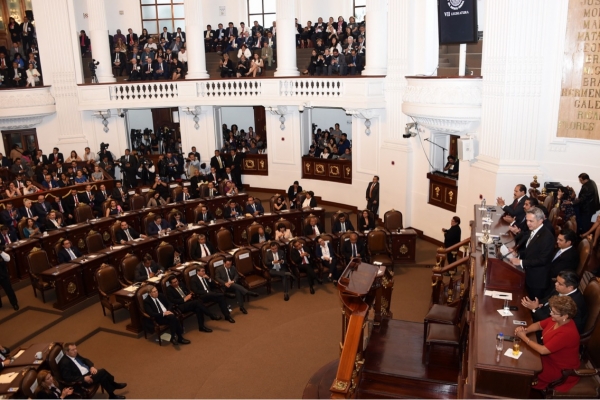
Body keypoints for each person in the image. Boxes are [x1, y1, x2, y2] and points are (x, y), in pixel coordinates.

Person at [514, 296, 580, 392]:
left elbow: (543, 350)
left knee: (524, 369)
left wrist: (524, 337)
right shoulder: (556, 320)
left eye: (554, 313)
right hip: (548, 358)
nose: (550, 313)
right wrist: (525, 330)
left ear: (565, 316)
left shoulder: (567, 333)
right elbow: (538, 325)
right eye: (551, 310)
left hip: (560, 369)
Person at [509, 208, 556, 300]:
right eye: (527, 220)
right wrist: (517, 254)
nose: (528, 223)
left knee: (531, 307)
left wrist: (521, 262)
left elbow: (543, 260)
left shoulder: (547, 237)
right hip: (528, 275)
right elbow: (530, 251)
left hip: (537, 280)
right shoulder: (534, 230)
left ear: (540, 221)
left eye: (531, 221)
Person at [522, 270, 587, 335]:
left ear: (570, 288)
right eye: (556, 281)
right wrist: (538, 304)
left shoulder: (573, 304)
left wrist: (535, 309)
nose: (556, 284)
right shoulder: (561, 289)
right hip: (542, 317)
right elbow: (546, 300)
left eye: (560, 283)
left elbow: (553, 322)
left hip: (555, 332)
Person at [58, 343, 127, 399]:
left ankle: (112, 396)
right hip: (82, 380)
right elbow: (67, 377)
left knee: (103, 377)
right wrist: (83, 378)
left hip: (88, 372)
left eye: (76, 348)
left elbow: (85, 360)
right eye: (73, 350)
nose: (75, 351)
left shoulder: (75, 354)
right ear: (67, 352)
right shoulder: (65, 362)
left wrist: (91, 367)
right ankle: (114, 385)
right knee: (102, 372)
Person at [0, 245, 18, 310]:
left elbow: (8, 259)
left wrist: (1, 252)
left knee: (9, 290)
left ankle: (14, 303)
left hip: (3, 275)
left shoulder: (1, 253)